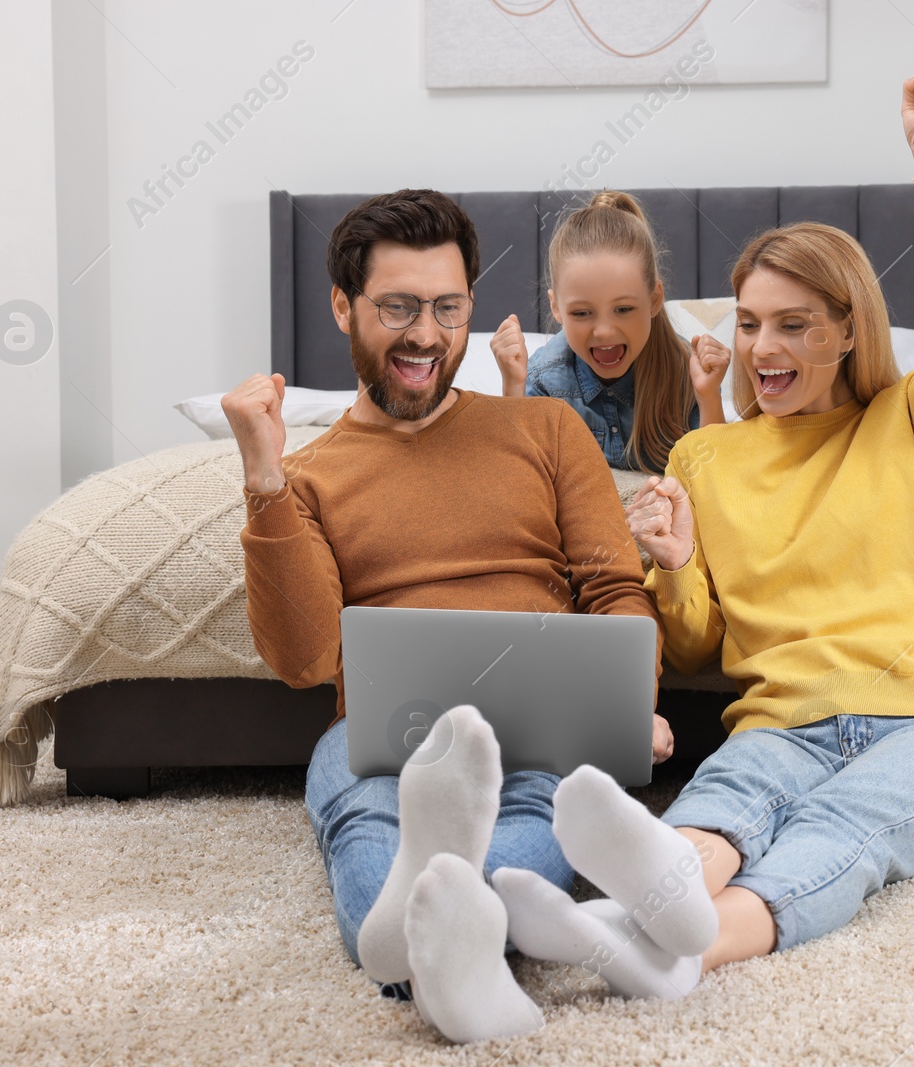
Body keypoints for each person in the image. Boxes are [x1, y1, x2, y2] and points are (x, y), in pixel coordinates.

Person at [492, 70, 914, 978]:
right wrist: (674, 566)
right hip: (776, 724)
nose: (763, 348)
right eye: (748, 324)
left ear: (847, 332)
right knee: (726, 802)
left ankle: (679, 945)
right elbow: (693, 648)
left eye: (794, 325)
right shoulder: (706, 458)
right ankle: (631, 914)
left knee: (841, 831)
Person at [219, 188, 677, 1043]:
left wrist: (626, 700)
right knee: (364, 808)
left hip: (537, 729)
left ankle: (411, 946)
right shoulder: (309, 478)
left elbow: (616, 590)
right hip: (386, 736)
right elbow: (305, 655)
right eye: (397, 307)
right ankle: (453, 941)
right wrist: (264, 478)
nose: (426, 334)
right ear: (343, 307)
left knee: (534, 810)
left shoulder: (546, 429)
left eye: (447, 307)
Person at [489, 190, 732, 473]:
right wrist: (512, 388)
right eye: (581, 313)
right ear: (556, 308)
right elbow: (520, 481)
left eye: (624, 309)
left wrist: (709, 395)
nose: (604, 332)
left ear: (654, 300)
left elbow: (715, 479)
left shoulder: (684, 370)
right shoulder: (544, 378)